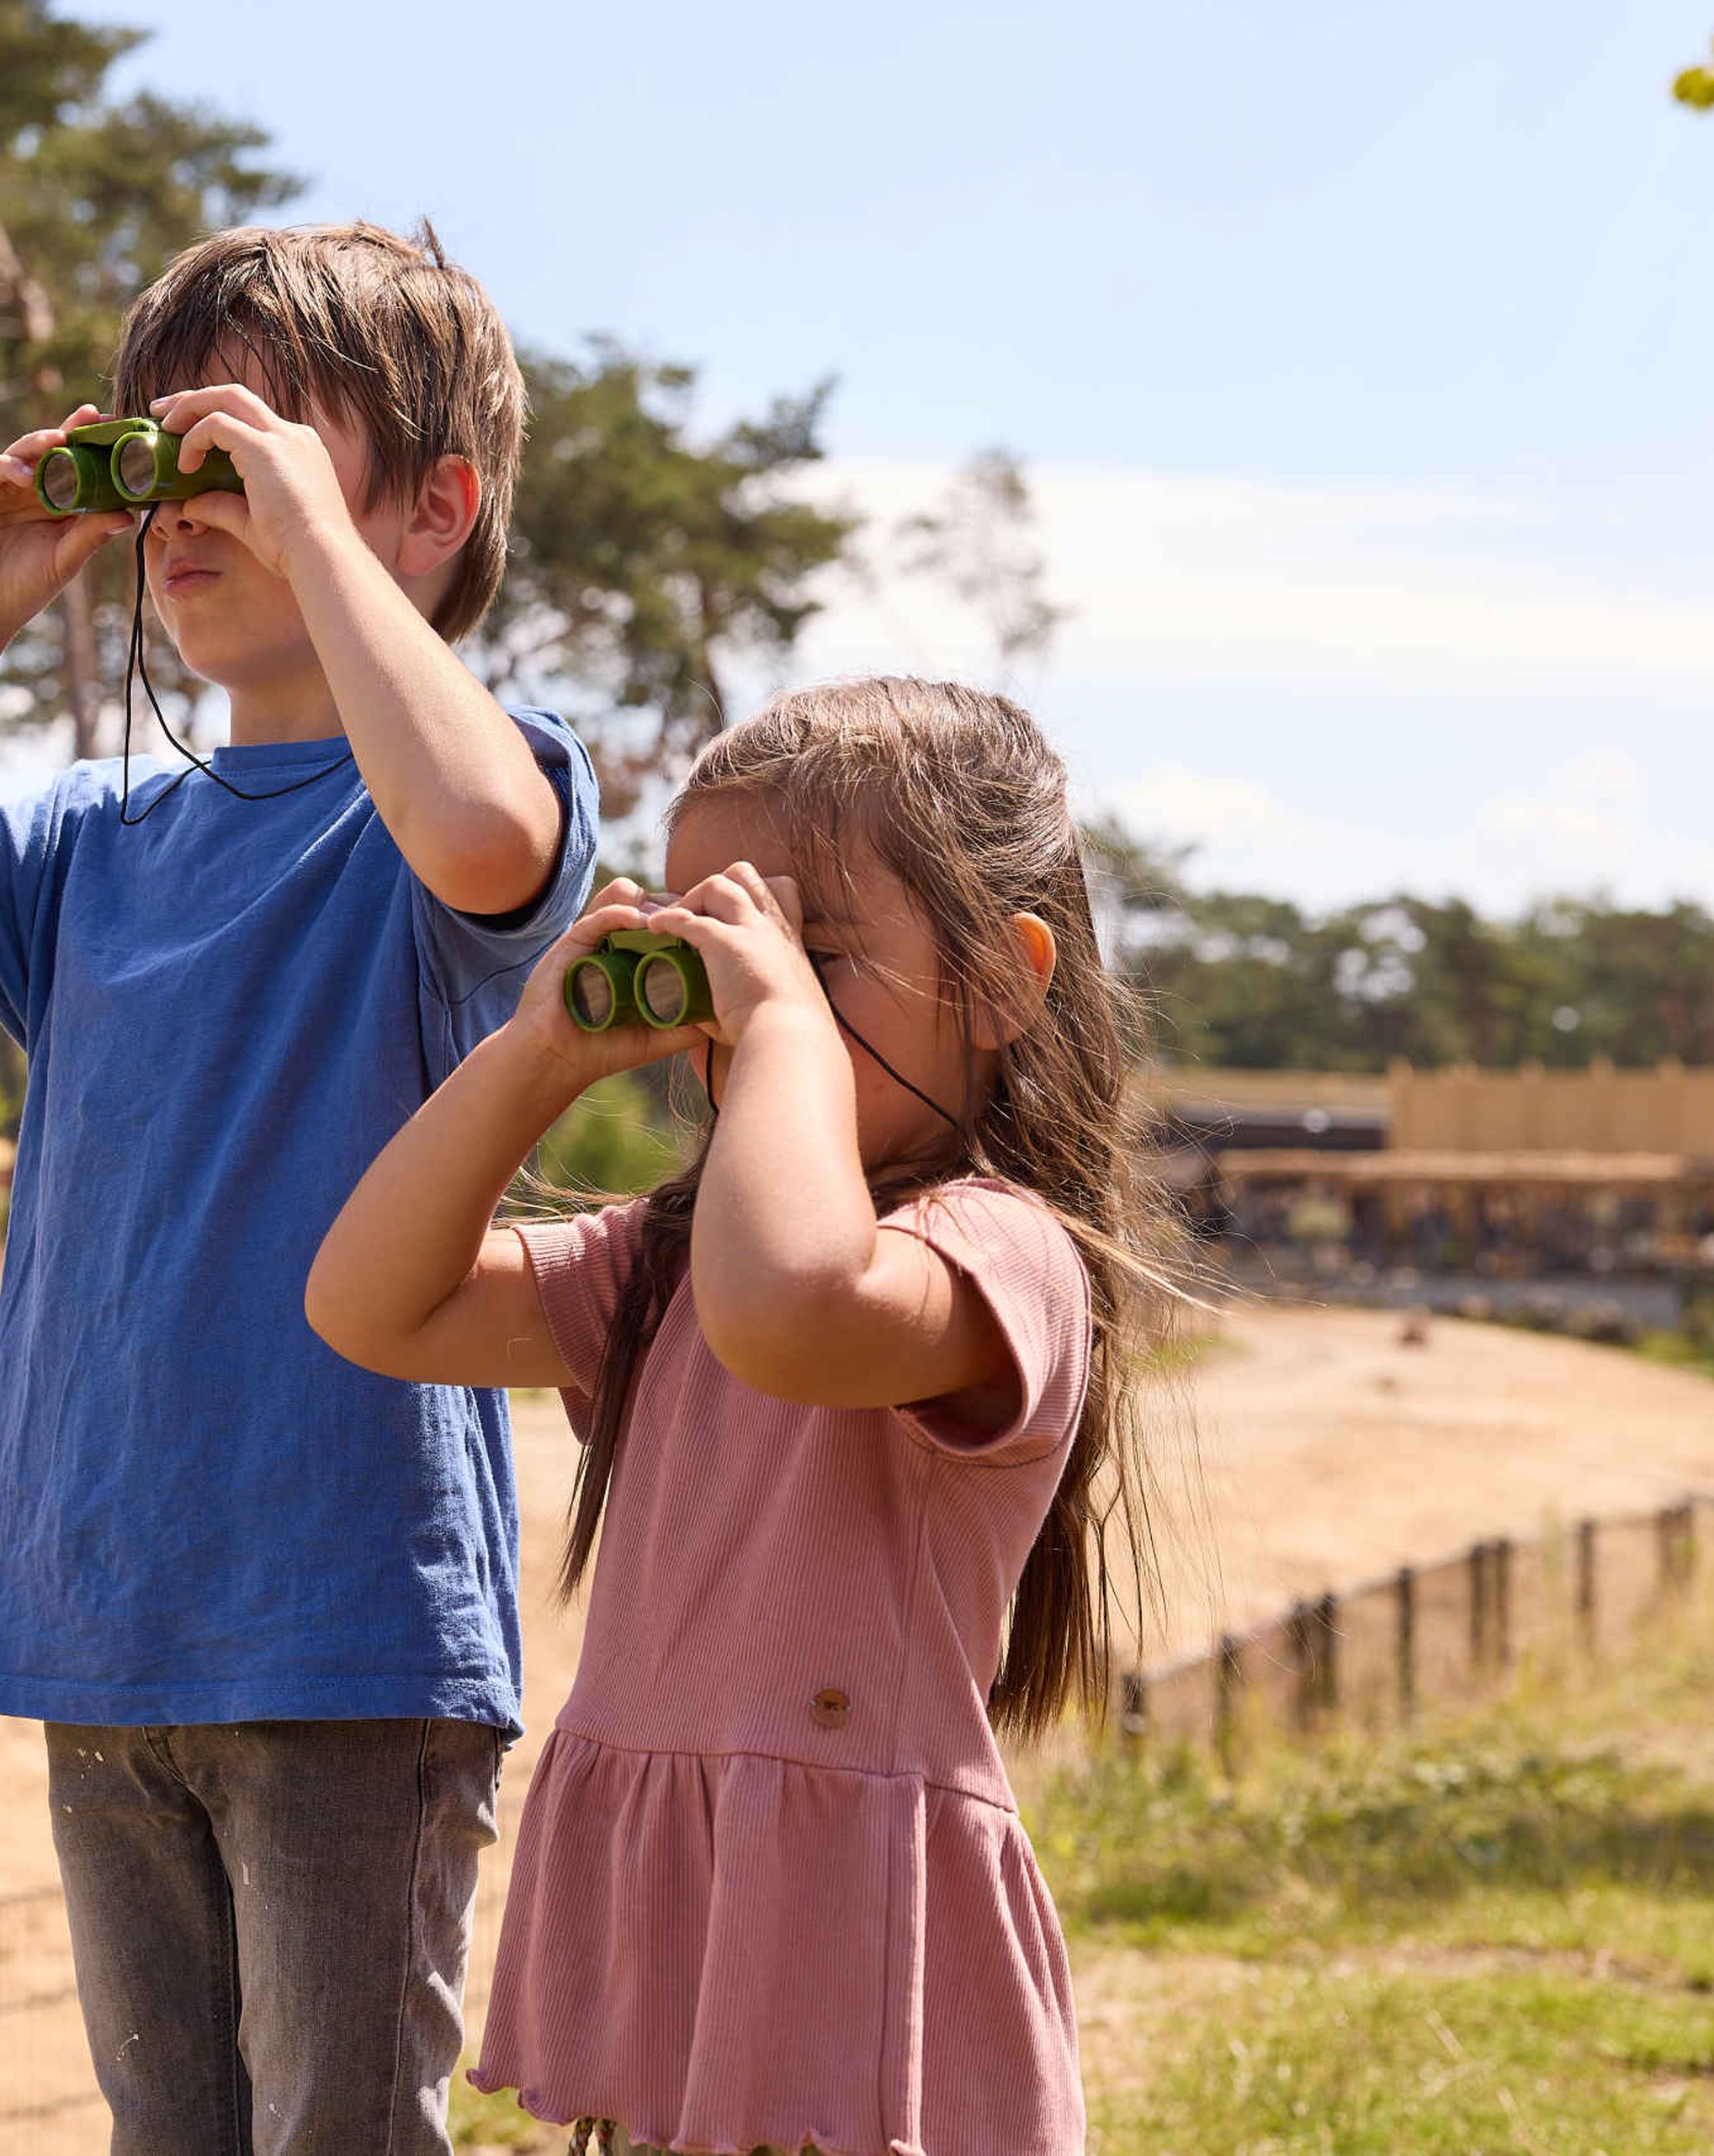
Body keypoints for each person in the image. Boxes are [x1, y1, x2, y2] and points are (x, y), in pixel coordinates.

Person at [0, 220, 600, 2156]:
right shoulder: (87, 847)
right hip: (99, 1610)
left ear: (435, 508)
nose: (186, 502)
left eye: (249, 449)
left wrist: (316, 538)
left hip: (347, 1621)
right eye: (162, 456)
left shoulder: (465, 793)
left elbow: (485, 837)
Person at [309, 677, 1165, 2156]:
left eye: (818, 952)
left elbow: (791, 1311)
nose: (751, 995)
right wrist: (537, 1053)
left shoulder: (1000, 1250)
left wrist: (779, 1036)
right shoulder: (671, 1264)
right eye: (719, 943)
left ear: (1004, 980)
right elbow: (370, 1303)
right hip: (693, 1968)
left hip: (857, 1981)